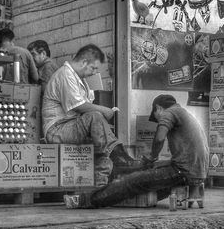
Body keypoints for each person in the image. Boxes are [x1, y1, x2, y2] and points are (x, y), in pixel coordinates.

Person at [63, 94, 209, 208]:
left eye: (156, 116)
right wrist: (154, 163)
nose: (158, 120)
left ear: (158, 108)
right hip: (197, 172)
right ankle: (190, 192)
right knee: (147, 177)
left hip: (183, 171)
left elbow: (159, 138)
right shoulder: (185, 113)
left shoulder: (169, 113)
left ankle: (83, 200)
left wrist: (152, 156)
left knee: (130, 182)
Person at [42, 44, 137, 187]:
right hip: (57, 130)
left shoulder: (80, 79)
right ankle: (119, 157)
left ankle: (100, 188)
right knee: (95, 116)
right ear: (84, 62)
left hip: (71, 127)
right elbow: (79, 106)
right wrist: (105, 110)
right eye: (93, 68)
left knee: (101, 145)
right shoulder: (65, 74)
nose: (94, 72)